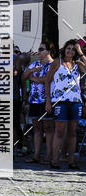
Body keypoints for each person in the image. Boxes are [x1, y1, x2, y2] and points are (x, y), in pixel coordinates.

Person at [45, 40, 86, 169]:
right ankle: (55, 160)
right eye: (68, 48)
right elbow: (47, 81)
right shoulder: (57, 62)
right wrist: (48, 101)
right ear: (64, 49)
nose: (70, 51)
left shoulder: (78, 64)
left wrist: (81, 53)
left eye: (73, 50)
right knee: (60, 131)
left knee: (73, 132)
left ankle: (71, 161)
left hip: (75, 101)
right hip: (60, 101)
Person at [22, 42, 55, 164]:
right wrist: (32, 71)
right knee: (36, 128)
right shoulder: (35, 64)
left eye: (42, 49)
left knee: (48, 128)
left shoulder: (54, 65)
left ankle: (49, 156)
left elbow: (47, 80)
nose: (39, 51)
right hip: (34, 100)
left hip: (47, 100)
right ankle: (36, 155)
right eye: (39, 49)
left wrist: (34, 78)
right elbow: (23, 77)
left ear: (49, 51)